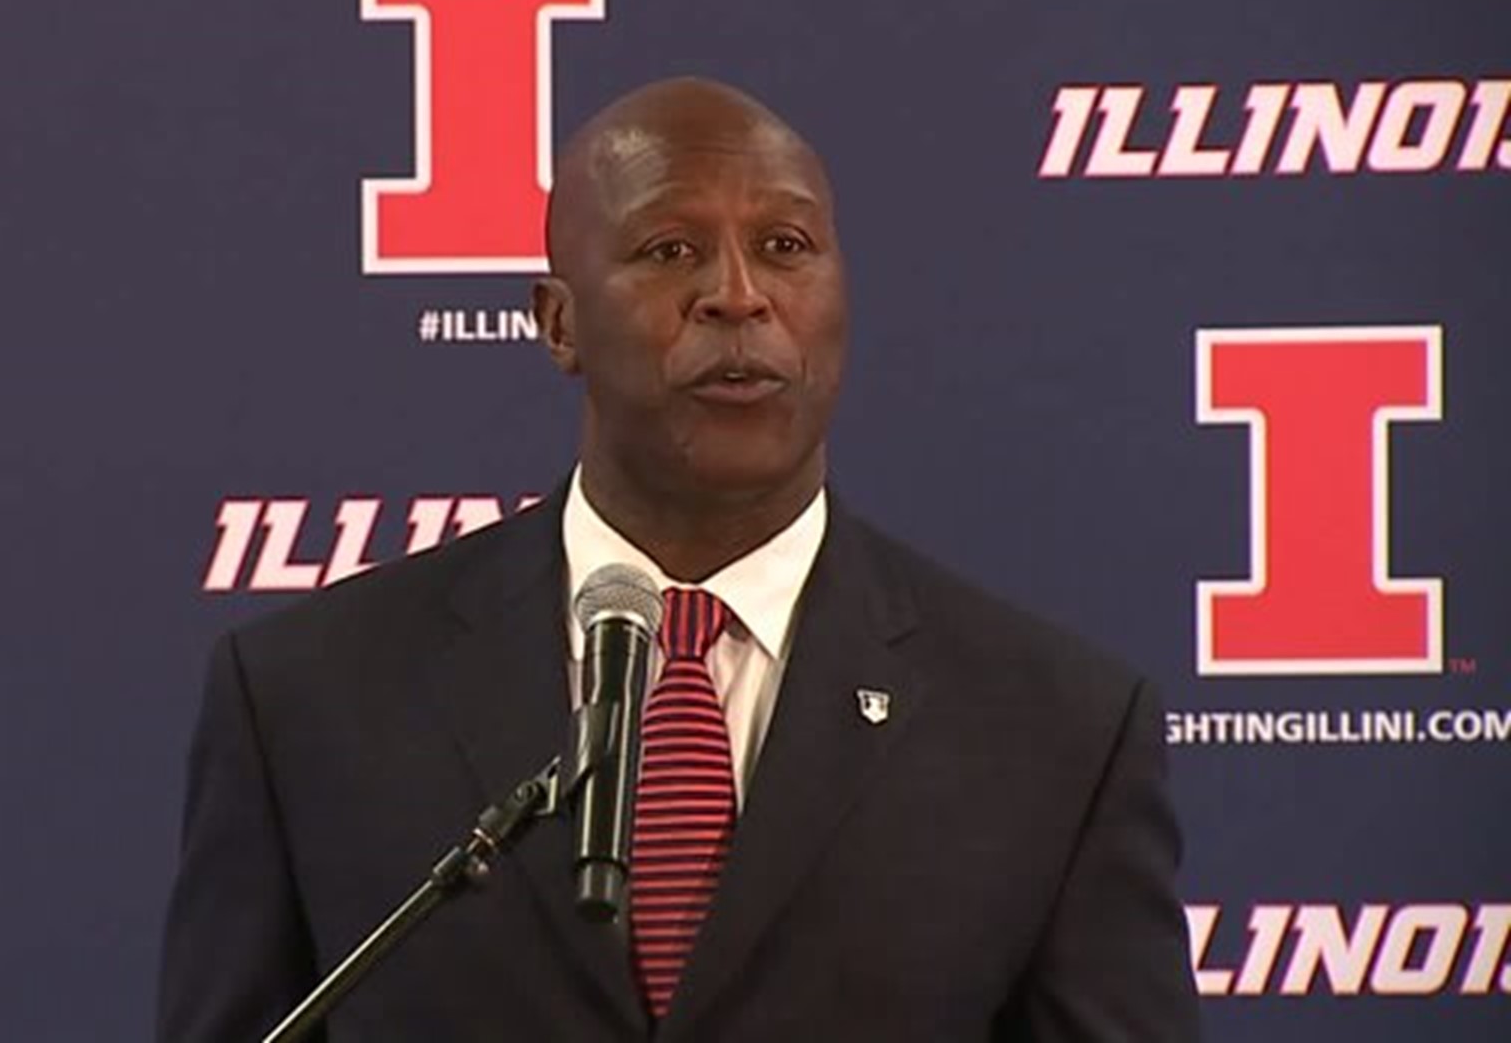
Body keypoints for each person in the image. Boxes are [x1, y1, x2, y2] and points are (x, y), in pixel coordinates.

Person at [158, 77, 1200, 1041]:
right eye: (669, 251)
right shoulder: (308, 700)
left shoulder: (1053, 731)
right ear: (559, 324)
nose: (738, 297)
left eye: (786, 246)